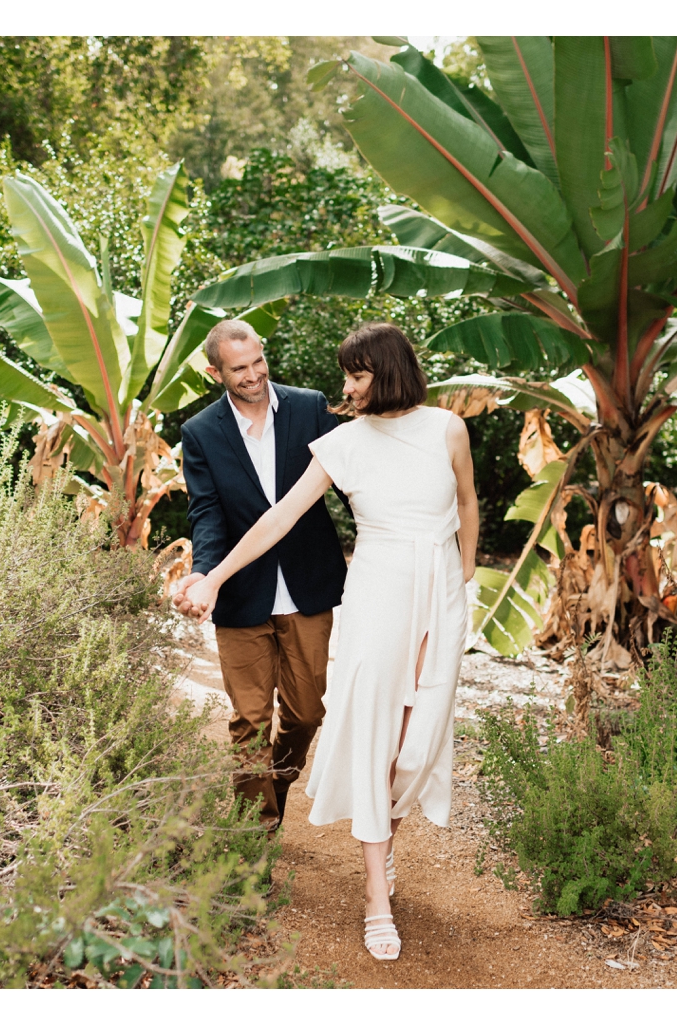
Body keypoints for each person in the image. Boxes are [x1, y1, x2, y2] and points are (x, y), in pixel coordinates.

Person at [182, 322, 479, 962]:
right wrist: (213, 577)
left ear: (388, 371)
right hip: (375, 598)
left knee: (414, 747)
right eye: (347, 375)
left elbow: (467, 501)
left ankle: (385, 844)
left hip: (438, 598)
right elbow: (277, 517)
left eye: (356, 374)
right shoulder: (340, 440)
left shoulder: (446, 428)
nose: (343, 386)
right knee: (371, 740)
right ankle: (376, 895)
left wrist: (465, 576)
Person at [172, 319, 349, 833]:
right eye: (239, 368)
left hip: (307, 584)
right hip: (241, 592)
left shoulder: (310, 406)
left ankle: (272, 785)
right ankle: (255, 837)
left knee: (306, 714)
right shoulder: (200, 432)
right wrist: (205, 573)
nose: (253, 375)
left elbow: (349, 485)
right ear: (215, 372)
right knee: (249, 721)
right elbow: (206, 513)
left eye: (257, 362)